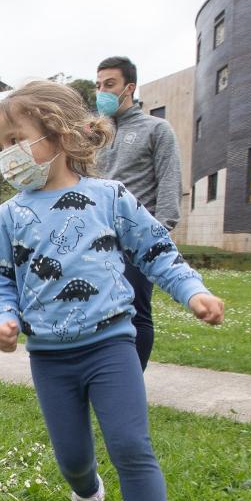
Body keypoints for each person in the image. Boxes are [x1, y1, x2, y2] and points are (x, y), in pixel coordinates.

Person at [0, 81, 224, 501]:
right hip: (50, 357)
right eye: (0, 146)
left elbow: (157, 251)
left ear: (58, 133)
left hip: (111, 344)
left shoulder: (109, 197)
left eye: (16, 139)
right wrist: (3, 318)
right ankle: (87, 497)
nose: (8, 155)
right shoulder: (10, 216)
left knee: (131, 446)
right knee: (72, 458)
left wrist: (194, 292)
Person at [93, 56, 182, 369]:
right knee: (99, 311)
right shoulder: (95, 135)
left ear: (129, 87)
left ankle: (130, 384)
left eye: (110, 84)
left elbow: (169, 180)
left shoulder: (157, 129)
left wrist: (159, 233)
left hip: (138, 238)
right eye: (98, 85)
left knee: (136, 314)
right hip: (97, 237)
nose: (102, 91)